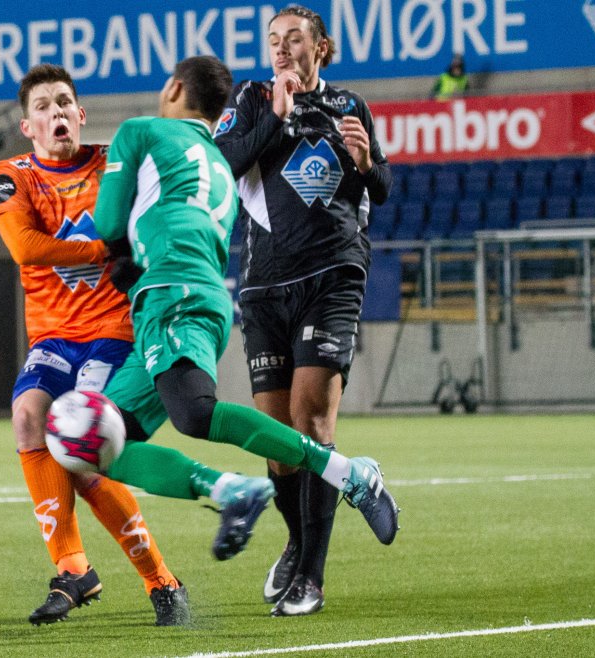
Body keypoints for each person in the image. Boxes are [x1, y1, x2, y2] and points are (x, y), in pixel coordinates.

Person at [91, 54, 398, 599]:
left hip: (172, 292)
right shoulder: (216, 158)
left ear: (174, 88)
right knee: (96, 443)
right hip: (194, 296)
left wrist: (119, 254)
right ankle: (229, 489)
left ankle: (342, 472)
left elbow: (108, 223)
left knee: (194, 412)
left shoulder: (141, 132)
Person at [0, 63, 187, 627]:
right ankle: (73, 568)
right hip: (53, 336)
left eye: (63, 103)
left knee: (79, 449)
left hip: (112, 334)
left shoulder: (114, 166)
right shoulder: (11, 174)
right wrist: (102, 250)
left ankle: (161, 581)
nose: (55, 112)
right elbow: (26, 247)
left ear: (80, 114)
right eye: (43, 106)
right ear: (27, 126)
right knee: (27, 417)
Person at [212, 5, 395, 616]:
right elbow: (223, 166)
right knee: (279, 442)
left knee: (311, 420)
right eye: (274, 40)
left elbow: (381, 188)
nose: (282, 48)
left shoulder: (350, 105)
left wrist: (367, 164)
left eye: (294, 38)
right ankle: (298, 542)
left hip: (332, 276)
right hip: (265, 286)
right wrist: (276, 116)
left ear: (321, 47)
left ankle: (311, 577)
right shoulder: (251, 100)